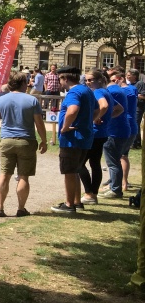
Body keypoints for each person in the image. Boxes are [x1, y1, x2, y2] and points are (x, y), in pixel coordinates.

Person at [0, 72, 48, 218]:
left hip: (7, 140)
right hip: (26, 141)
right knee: (23, 176)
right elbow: (39, 123)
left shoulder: (1, 100)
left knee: (4, 174)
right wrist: (44, 140)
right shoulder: (32, 100)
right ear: (23, 83)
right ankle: (21, 208)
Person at [51, 66, 99, 213]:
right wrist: (88, 122)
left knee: (69, 172)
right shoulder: (87, 91)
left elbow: (72, 110)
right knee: (76, 170)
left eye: (60, 79)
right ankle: (77, 202)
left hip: (72, 139)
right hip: (84, 137)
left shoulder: (74, 92)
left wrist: (65, 127)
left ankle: (69, 204)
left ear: (65, 78)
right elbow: (97, 109)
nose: (60, 83)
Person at [79, 69, 121, 206]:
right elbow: (119, 109)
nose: (88, 82)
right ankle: (93, 194)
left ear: (99, 80)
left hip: (95, 133)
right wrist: (105, 118)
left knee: (79, 164)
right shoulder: (105, 92)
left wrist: (94, 118)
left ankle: (89, 193)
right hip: (102, 133)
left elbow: (104, 106)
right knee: (95, 163)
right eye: (86, 80)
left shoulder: (97, 92)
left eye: (91, 80)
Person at [101, 71, 132, 200]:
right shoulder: (117, 89)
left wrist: (103, 118)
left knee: (113, 162)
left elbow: (112, 108)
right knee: (116, 160)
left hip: (115, 131)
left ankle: (115, 189)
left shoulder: (109, 92)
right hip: (123, 129)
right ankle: (114, 185)